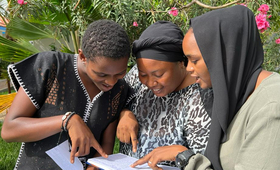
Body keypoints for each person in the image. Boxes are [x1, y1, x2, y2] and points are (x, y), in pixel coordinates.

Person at [132, 5, 280, 170]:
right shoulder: (236, 95)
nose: (188, 68)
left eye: (194, 61)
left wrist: (187, 158)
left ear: (224, 56)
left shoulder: (271, 106)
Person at [1, 19, 133, 170]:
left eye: (120, 73)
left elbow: (106, 145)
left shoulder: (119, 90)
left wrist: (95, 167)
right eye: (102, 74)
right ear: (83, 57)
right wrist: (67, 120)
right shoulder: (51, 67)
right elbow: (9, 130)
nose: (111, 82)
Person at [117, 21, 213, 167]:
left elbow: (201, 163)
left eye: (158, 74)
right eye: (144, 74)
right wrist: (124, 113)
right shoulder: (136, 75)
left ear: (182, 63)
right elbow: (113, 99)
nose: (150, 83)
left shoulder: (200, 100)